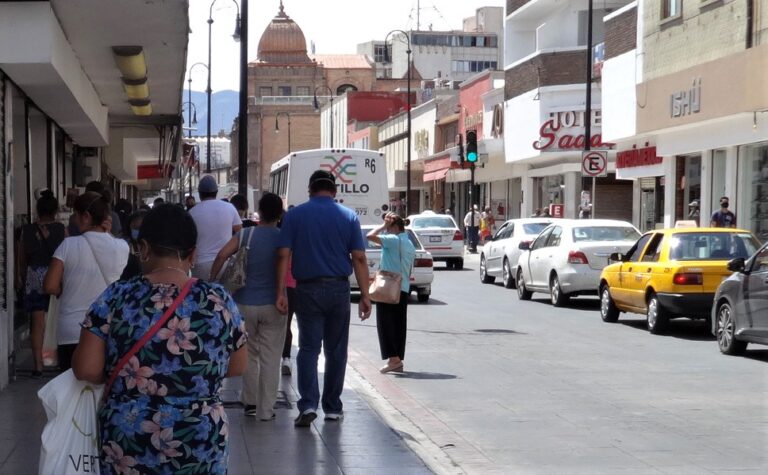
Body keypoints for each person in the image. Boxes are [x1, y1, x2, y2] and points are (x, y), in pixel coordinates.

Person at [71, 204, 247, 475]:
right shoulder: (218, 300)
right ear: (193, 254)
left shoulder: (115, 297)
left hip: (129, 437)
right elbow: (237, 366)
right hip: (200, 438)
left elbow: (86, 369)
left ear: (143, 248)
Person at [275, 170, 372, 427]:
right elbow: (359, 258)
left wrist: (280, 292)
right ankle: (332, 407)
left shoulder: (294, 216)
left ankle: (308, 403)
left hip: (306, 289)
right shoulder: (349, 216)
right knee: (336, 350)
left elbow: (283, 255)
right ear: (334, 191)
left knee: (308, 348)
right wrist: (365, 295)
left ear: (310, 189)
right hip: (339, 290)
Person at [211, 193, 283, 420]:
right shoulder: (283, 238)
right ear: (280, 214)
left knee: (250, 353)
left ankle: (250, 402)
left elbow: (222, 254)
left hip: (244, 303)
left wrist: (213, 281)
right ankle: (266, 409)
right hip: (274, 305)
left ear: (259, 212)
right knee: (271, 357)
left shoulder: (246, 234)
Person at [43, 191, 129, 370]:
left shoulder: (68, 245)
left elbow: (50, 286)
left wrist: (63, 288)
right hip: (107, 328)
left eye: (76, 215)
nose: (74, 220)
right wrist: (109, 234)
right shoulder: (122, 247)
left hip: (71, 330)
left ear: (86, 216)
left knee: (72, 389)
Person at [16, 190, 66, 377]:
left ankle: (38, 365)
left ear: (38, 209)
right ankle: (57, 360)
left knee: (37, 324)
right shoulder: (61, 229)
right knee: (56, 321)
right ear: (55, 211)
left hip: (34, 275)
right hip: (55, 275)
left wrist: (20, 277)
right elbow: (67, 256)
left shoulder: (27, 230)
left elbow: (21, 257)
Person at [366, 213, 415, 373]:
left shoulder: (393, 240)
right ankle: (397, 359)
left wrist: (383, 226)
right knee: (399, 325)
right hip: (403, 287)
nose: (386, 231)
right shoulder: (408, 242)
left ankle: (393, 359)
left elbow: (370, 236)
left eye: (388, 227)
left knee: (385, 324)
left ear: (394, 227)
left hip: (389, 288)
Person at [188, 175, 242, 280]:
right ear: (216, 192)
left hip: (200, 264)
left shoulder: (191, 213)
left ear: (200, 194)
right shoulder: (229, 208)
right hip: (225, 263)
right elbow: (240, 233)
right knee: (224, 295)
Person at [119, 209, 148, 280]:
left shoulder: (154, 248)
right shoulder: (123, 243)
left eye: (140, 228)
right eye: (135, 228)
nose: (137, 231)